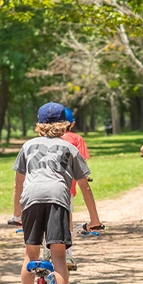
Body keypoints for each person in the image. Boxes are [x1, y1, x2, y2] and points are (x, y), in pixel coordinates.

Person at [12, 102, 103, 284]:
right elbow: (84, 186)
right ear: (65, 124)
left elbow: (18, 184)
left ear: (39, 124)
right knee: (59, 256)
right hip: (58, 199)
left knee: (30, 255)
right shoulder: (70, 148)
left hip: (31, 200)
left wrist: (17, 215)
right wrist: (94, 220)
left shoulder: (28, 146)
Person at [60, 108, 89, 271]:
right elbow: (81, 164)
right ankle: (68, 254)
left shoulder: (44, 139)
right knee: (67, 218)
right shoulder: (76, 139)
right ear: (72, 123)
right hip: (66, 188)